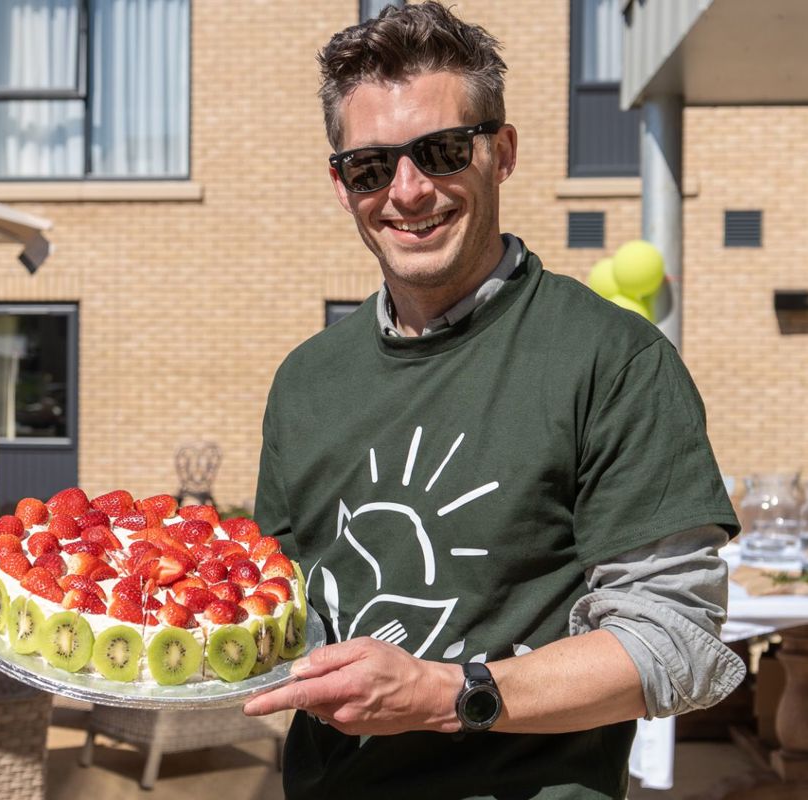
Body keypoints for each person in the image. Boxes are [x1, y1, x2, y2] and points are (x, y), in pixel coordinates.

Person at [242, 4, 743, 798]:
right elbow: (272, 609)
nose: (408, 192)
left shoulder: (611, 359)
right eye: (371, 167)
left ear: (501, 152)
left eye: (442, 152)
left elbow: (675, 642)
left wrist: (448, 694)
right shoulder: (305, 381)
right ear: (342, 185)